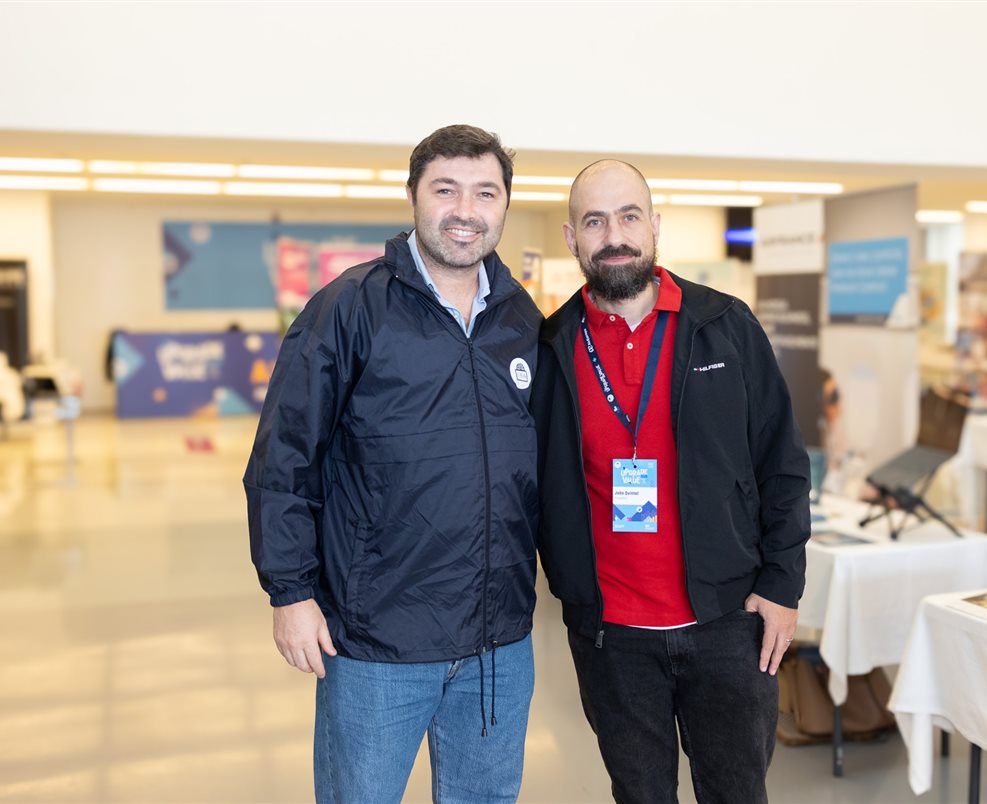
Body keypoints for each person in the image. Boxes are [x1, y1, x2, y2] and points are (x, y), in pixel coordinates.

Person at [244, 124, 542, 803]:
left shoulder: (521, 319)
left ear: (504, 205)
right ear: (413, 197)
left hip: (498, 641)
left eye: (484, 193)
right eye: (446, 189)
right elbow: (283, 458)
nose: (464, 210)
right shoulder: (349, 307)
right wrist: (290, 592)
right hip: (378, 640)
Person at [530, 160, 810, 803]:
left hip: (727, 626)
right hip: (611, 638)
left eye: (629, 216)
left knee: (737, 794)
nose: (615, 235)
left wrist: (781, 586)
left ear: (654, 227)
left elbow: (784, 465)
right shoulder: (552, 345)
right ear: (572, 238)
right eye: (595, 221)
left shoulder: (725, 326)